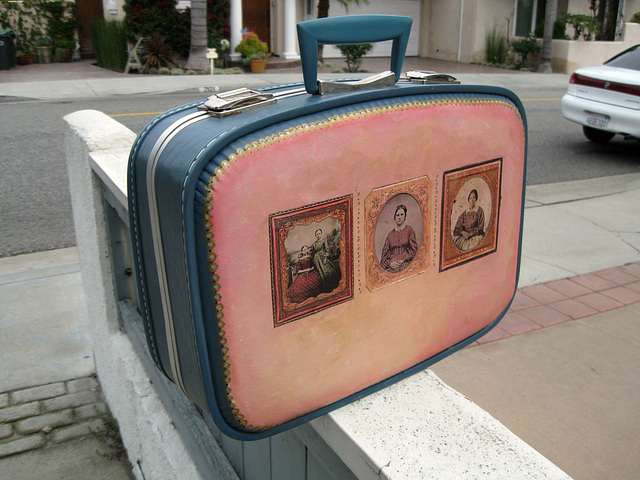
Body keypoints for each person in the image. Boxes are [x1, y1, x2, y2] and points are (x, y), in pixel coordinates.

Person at [380, 205, 418, 273]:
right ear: (394, 218)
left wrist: (403, 260)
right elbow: (383, 259)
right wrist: (390, 264)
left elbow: (414, 251)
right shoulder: (390, 235)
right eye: (397, 215)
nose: (399, 217)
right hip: (392, 268)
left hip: (406, 265)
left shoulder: (409, 230)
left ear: (405, 217)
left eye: (401, 215)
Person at [310, 229, 342, 293]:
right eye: (317, 234)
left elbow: (327, 250)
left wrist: (325, 258)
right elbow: (312, 253)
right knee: (321, 274)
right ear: (315, 236)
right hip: (317, 260)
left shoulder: (324, 241)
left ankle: (333, 286)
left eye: (319, 233)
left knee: (329, 272)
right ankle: (326, 288)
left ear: (321, 234)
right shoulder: (314, 244)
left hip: (323, 258)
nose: (318, 235)